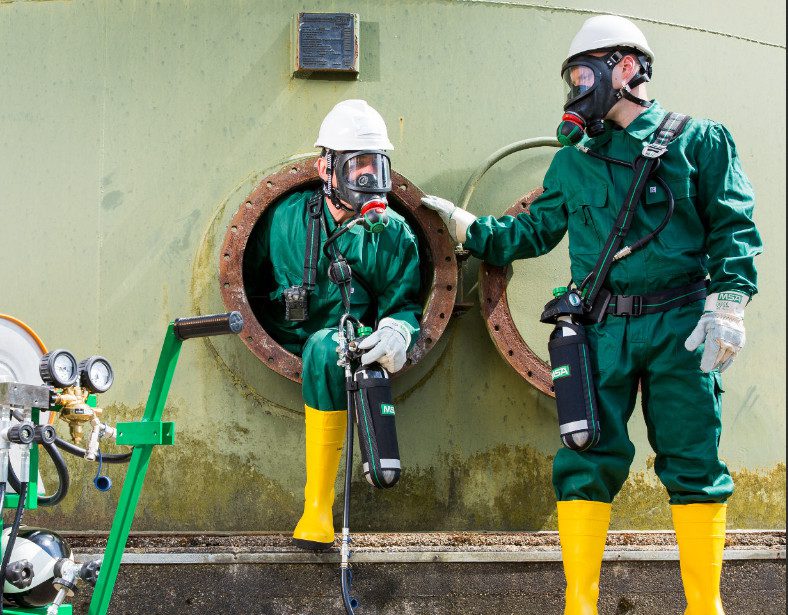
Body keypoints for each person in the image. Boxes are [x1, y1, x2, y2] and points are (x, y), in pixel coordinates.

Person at [422, 15, 761, 615]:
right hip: (599, 329)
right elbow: (530, 231)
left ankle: (705, 607)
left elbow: (734, 227)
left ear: (628, 68)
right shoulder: (573, 163)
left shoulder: (700, 140)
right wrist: (472, 228)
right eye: (572, 78)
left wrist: (729, 303)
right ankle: (580, 604)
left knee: (694, 460)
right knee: (584, 456)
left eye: (585, 73)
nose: (577, 88)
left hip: (681, 324)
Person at [244, 99, 422, 551]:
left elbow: (403, 307)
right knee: (320, 342)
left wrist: (397, 331)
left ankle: (317, 507)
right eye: (355, 166)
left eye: (376, 166)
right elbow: (252, 283)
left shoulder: (392, 233)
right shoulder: (283, 219)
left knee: (327, 344)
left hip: (346, 344)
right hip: (288, 338)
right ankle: (319, 506)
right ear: (326, 168)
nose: (368, 179)